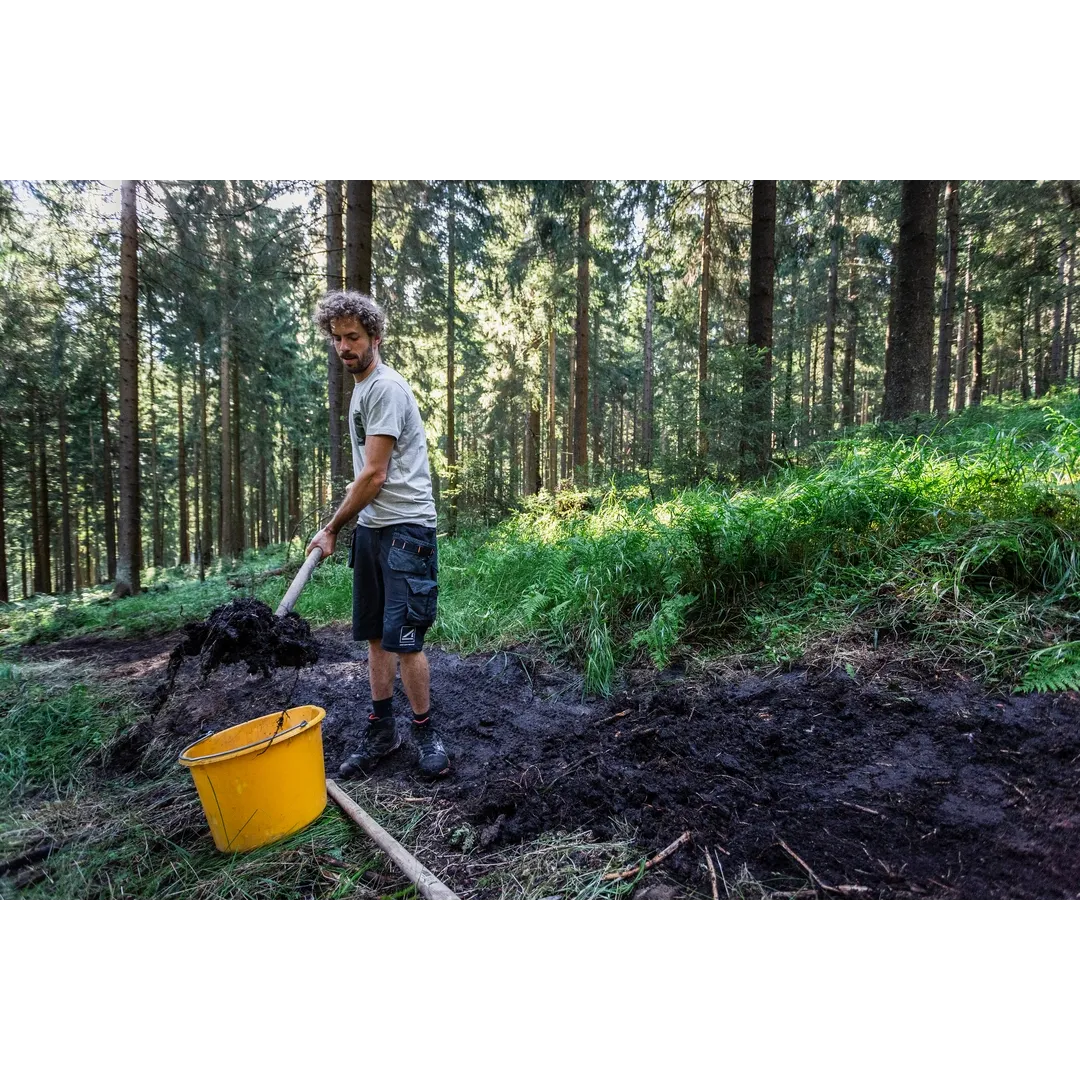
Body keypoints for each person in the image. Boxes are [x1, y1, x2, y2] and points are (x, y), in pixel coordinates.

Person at [307, 290, 450, 780]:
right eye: (337, 338)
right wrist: (350, 528)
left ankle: (426, 731)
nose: (344, 347)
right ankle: (382, 728)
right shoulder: (362, 388)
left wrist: (331, 528)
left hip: (406, 531)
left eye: (353, 337)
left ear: (375, 338)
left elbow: (374, 476)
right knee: (374, 638)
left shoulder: (385, 388)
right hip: (373, 530)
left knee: (405, 640)